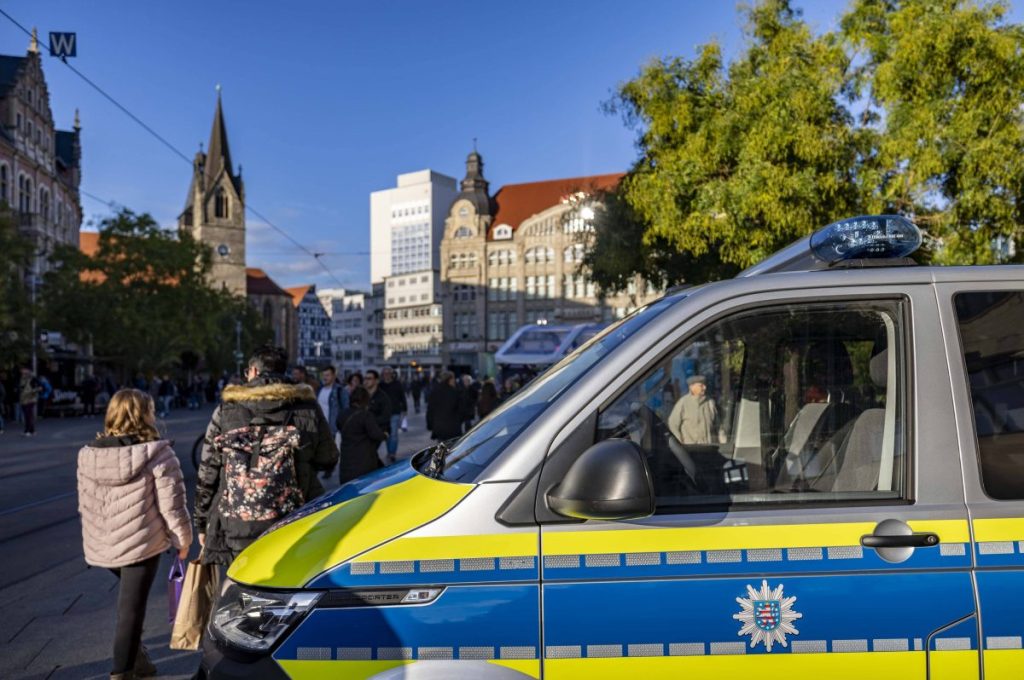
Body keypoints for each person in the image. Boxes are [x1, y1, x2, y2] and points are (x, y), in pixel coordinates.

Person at [76, 388, 192, 680]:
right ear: (146, 414)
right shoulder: (158, 453)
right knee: (131, 611)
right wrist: (183, 540)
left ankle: (138, 661)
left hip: (103, 545)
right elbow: (172, 506)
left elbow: (86, 503)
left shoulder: (88, 454)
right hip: (141, 543)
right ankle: (122, 673)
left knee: (130, 604)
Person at [195, 345, 338, 566]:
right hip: (293, 518)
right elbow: (328, 457)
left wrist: (202, 522)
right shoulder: (307, 407)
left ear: (253, 371)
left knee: (237, 585)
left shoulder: (227, 408)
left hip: (236, 523)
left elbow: (208, 471)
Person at [337, 386, 387, 484]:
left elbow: (338, 426)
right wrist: (385, 435)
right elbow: (376, 434)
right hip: (363, 459)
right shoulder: (365, 415)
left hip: (346, 458)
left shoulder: (342, 414)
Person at [668, 375, 720, 445]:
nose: (704, 388)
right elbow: (673, 424)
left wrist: (724, 444)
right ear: (691, 387)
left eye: (704, 385)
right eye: (701, 385)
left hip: (708, 449)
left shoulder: (710, 403)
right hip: (691, 450)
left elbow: (719, 427)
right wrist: (680, 443)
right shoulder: (683, 403)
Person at [362, 369, 393, 462]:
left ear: (376, 380)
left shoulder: (383, 397)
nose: (366, 381)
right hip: (362, 430)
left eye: (369, 378)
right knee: (367, 454)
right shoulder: (361, 395)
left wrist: (370, 422)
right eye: (365, 378)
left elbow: (386, 416)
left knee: (368, 452)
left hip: (377, 430)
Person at [380, 367, 408, 461]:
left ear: (392, 374)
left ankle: (392, 453)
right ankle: (389, 451)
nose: (387, 375)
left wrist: (405, 409)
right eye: (385, 373)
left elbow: (402, 397)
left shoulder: (397, 384)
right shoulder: (380, 385)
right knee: (387, 434)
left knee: (394, 434)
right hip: (383, 413)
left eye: (388, 373)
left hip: (395, 412)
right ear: (383, 374)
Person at [426, 371, 462, 441]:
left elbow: (430, 410)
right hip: (453, 427)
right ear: (450, 379)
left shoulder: (435, 391)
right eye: (453, 378)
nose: (454, 380)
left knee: (442, 447)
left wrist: (430, 424)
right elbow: (460, 409)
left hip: (439, 427)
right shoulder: (454, 392)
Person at [317, 365, 348, 441]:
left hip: (333, 430)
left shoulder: (340, 390)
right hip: (319, 428)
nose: (325, 378)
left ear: (334, 376)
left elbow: (346, 409)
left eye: (327, 375)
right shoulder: (319, 390)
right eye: (323, 375)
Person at [18, 366, 41, 436]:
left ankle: (28, 430)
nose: (23, 372)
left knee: (28, 415)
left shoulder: (33, 379)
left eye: (24, 370)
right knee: (27, 416)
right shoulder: (22, 379)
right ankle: (32, 430)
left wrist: (32, 391)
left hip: (30, 400)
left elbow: (40, 388)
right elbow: (21, 388)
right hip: (23, 400)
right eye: (22, 371)